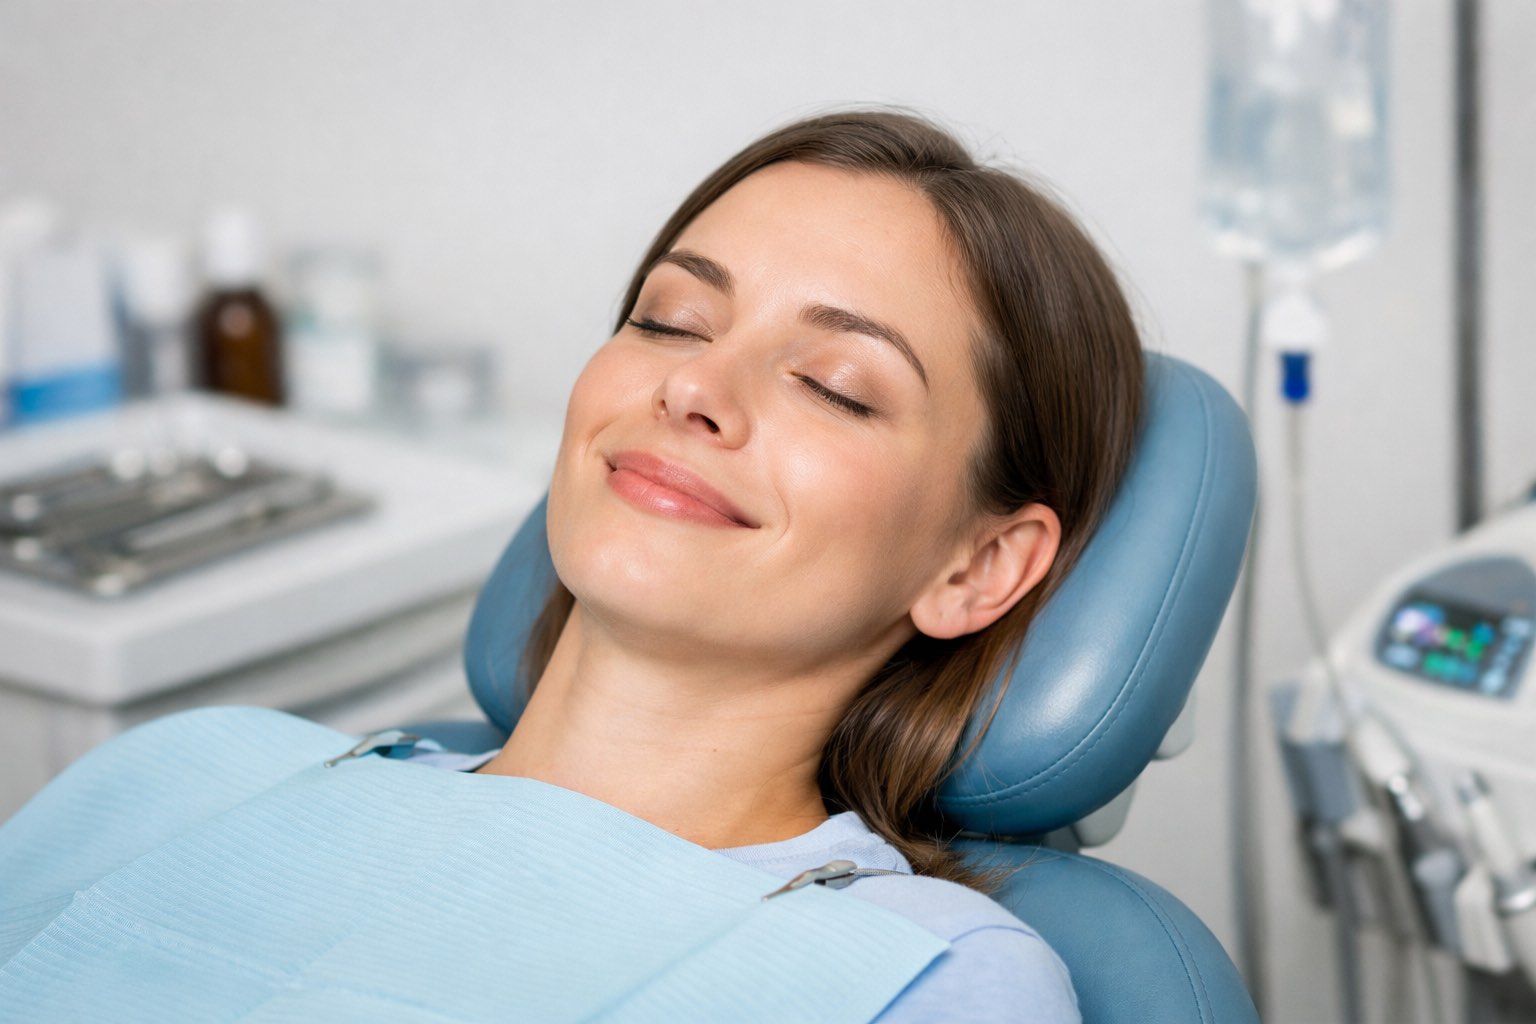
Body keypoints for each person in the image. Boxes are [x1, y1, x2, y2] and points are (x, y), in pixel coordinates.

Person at [0, 109, 1142, 1023]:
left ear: (980, 567)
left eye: (834, 384)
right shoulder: (196, 768)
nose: (691, 387)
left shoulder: (922, 975)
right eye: (670, 320)